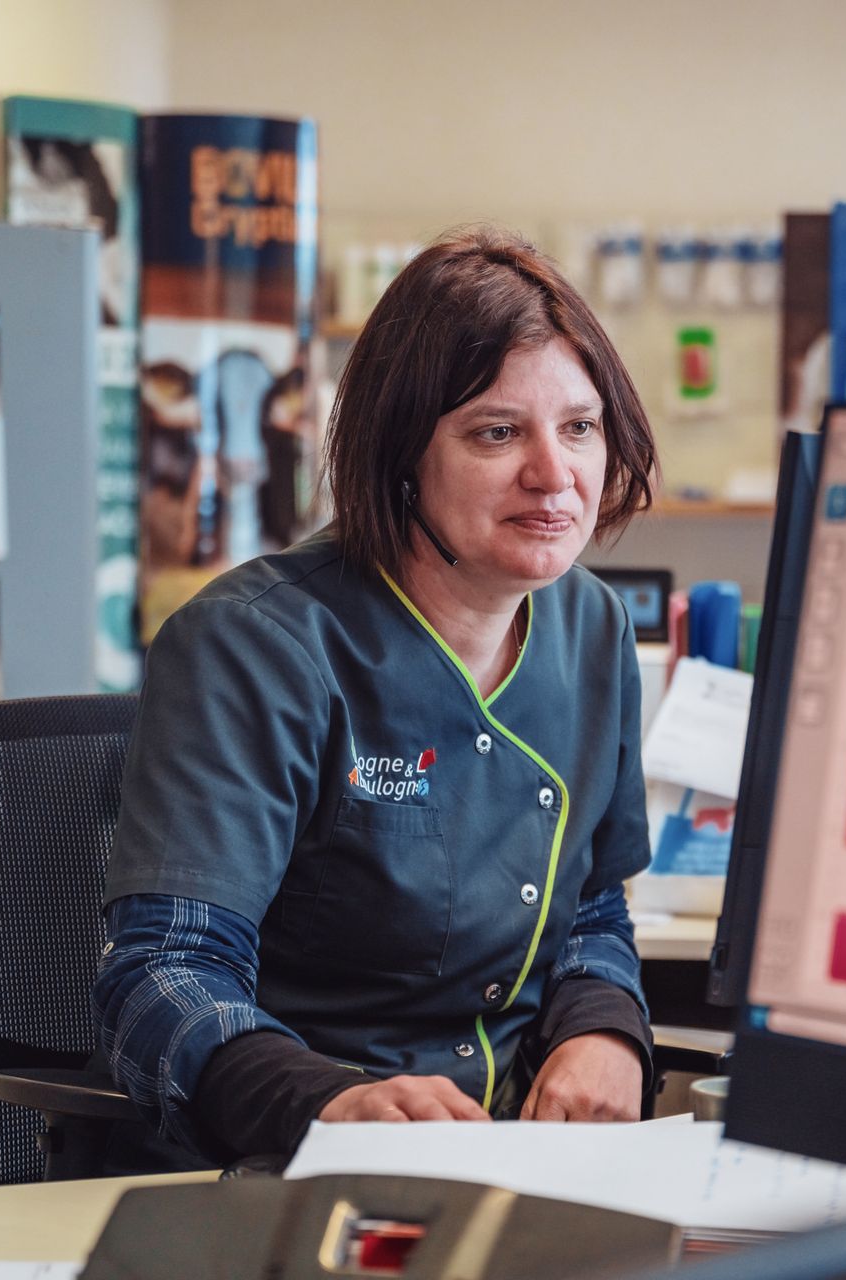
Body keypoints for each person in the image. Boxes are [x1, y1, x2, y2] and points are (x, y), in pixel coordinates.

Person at [93, 228, 661, 1162]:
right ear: (403, 452)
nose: (555, 477)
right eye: (496, 431)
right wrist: (325, 1106)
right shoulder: (254, 646)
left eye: (579, 427)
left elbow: (591, 905)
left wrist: (602, 1026)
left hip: (507, 1164)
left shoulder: (592, 631)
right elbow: (159, 975)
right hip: (268, 1172)